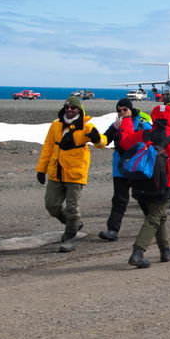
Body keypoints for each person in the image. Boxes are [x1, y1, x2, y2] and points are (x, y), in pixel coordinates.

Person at [116, 104, 170, 268]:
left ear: (153, 118)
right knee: (153, 218)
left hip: (140, 184)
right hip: (164, 186)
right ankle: (137, 253)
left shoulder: (144, 134)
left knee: (158, 216)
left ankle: (165, 250)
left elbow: (125, 142)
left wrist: (125, 121)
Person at [36, 95, 107, 253]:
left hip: (75, 173)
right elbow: (47, 148)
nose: (69, 110)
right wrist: (41, 169)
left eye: (73, 107)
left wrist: (97, 139)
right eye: (67, 107)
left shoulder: (86, 126)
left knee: (72, 208)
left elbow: (102, 142)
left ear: (79, 110)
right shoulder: (55, 126)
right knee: (52, 205)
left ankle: (69, 238)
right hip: (56, 172)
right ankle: (74, 224)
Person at [99, 99, 149, 242]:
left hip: (137, 168)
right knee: (119, 200)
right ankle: (113, 230)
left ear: (131, 110)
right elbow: (105, 141)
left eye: (125, 109)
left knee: (142, 197)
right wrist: (114, 128)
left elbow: (153, 139)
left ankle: (153, 224)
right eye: (119, 110)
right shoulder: (116, 126)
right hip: (119, 169)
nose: (122, 112)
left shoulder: (141, 124)